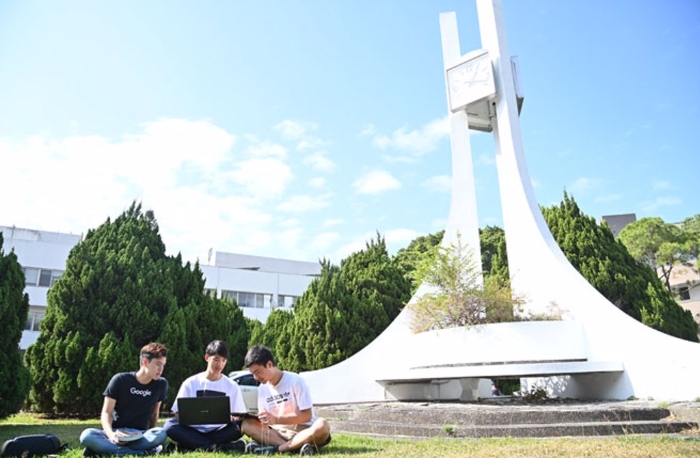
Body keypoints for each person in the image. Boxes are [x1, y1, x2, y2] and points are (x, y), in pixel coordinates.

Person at [80, 342, 169, 456]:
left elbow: (154, 414)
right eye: (158, 364)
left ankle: (107, 450)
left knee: (161, 433)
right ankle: (143, 452)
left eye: (163, 365)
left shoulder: (161, 384)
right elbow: (107, 412)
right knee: (87, 435)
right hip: (116, 432)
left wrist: (152, 438)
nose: (161, 369)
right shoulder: (120, 380)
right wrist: (111, 436)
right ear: (145, 362)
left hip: (140, 435)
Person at [241, 345, 331, 455]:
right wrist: (258, 418)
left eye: (257, 372)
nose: (255, 377)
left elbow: (307, 416)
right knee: (246, 424)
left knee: (323, 425)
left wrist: (277, 419)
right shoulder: (262, 389)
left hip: (303, 431)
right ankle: (295, 448)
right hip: (278, 433)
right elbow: (265, 419)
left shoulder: (296, 381)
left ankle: (279, 448)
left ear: (269, 364)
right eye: (253, 374)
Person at [163, 340, 247, 452]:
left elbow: (239, 416)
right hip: (193, 431)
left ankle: (191, 445)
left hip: (219, 431)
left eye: (223, 360)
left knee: (240, 425)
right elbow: (177, 413)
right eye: (216, 359)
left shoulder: (232, 385)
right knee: (170, 425)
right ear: (207, 357)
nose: (220, 364)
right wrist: (191, 418)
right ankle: (215, 446)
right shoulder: (190, 382)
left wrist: (232, 418)